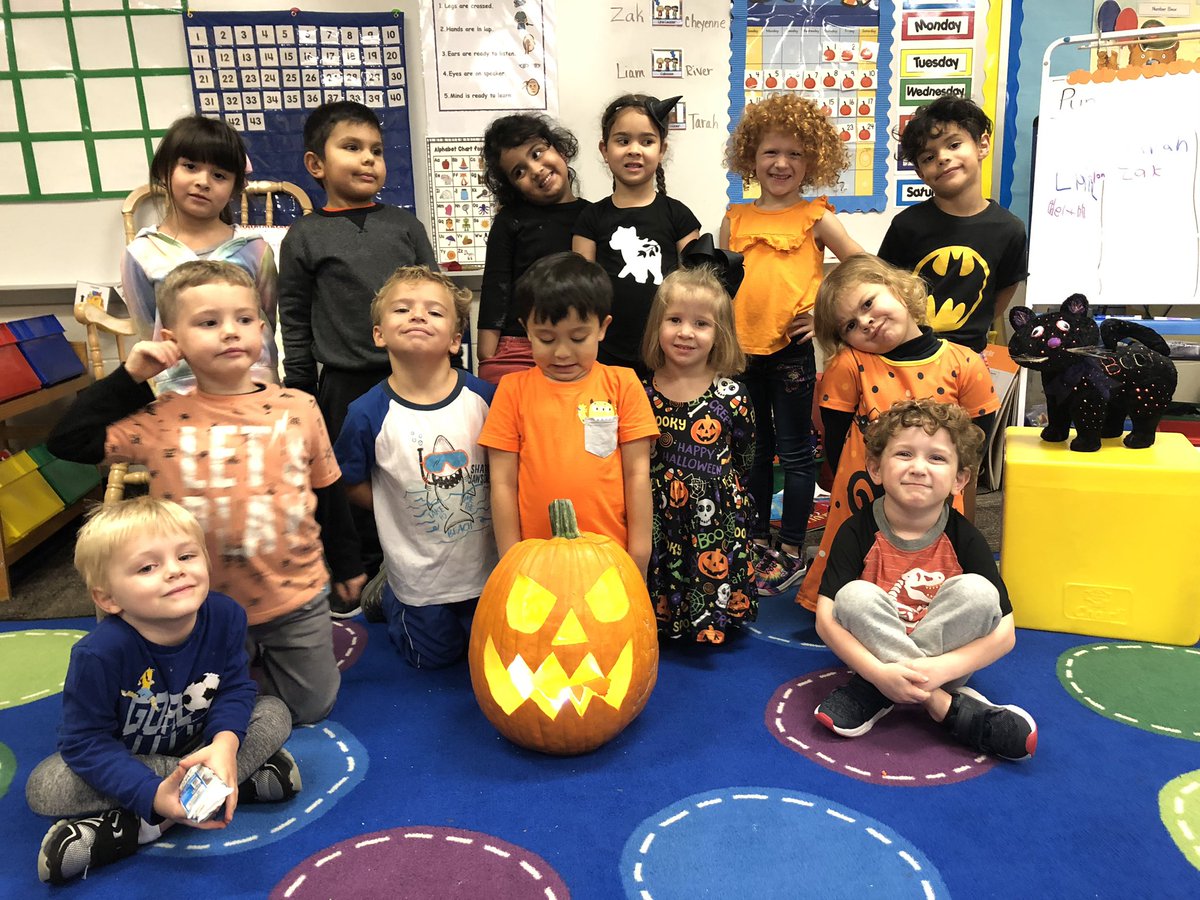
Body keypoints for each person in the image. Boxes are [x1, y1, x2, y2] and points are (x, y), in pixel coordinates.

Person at [48, 260, 365, 725]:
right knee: (198, 712)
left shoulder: (299, 407)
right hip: (196, 606)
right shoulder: (161, 417)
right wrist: (130, 376)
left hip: (292, 596)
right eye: (209, 323)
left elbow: (328, 489)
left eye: (243, 319)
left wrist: (348, 563)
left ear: (262, 329)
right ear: (172, 339)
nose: (230, 332)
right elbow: (68, 441)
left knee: (310, 708)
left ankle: (244, 698)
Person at [25, 498, 301, 885]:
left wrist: (224, 744)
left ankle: (134, 828)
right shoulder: (98, 654)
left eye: (186, 556)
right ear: (108, 598)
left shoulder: (226, 616)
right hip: (133, 761)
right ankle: (226, 788)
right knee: (45, 786)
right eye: (147, 567)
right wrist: (152, 792)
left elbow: (235, 689)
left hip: (201, 745)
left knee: (273, 712)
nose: (175, 570)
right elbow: (85, 743)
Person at [277, 100, 437, 609]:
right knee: (348, 484)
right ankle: (360, 575)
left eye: (376, 150)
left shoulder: (406, 226)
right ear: (316, 164)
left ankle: (418, 568)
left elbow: (435, 298)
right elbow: (294, 316)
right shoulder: (304, 236)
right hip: (343, 385)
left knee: (417, 473)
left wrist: (449, 370)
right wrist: (300, 389)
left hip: (413, 379)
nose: (369, 159)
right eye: (352, 147)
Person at [813, 399, 1037, 761]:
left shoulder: (965, 537)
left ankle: (872, 693)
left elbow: (1005, 633)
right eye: (904, 454)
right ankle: (943, 707)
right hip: (876, 658)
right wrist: (879, 672)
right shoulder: (855, 531)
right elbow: (826, 620)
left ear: (959, 479)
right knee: (852, 596)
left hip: (943, 665)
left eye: (937, 458)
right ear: (875, 467)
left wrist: (938, 671)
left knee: (980, 593)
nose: (918, 468)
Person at [720, 93, 864, 598]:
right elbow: (718, 283)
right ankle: (758, 540)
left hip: (790, 353)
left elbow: (860, 266)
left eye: (795, 154)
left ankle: (791, 548)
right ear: (751, 157)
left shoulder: (815, 217)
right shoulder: (735, 218)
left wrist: (824, 314)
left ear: (813, 161)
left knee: (797, 453)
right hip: (740, 353)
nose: (781, 163)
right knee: (755, 451)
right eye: (770, 152)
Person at [798, 254, 998, 611]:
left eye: (868, 303)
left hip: (935, 489)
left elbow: (974, 446)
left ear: (898, 289)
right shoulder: (849, 364)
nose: (866, 322)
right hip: (863, 490)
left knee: (935, 561)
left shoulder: (965, 363)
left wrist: (955, 485)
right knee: (855, 571)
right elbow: (835, 440)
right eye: (850, 325)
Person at [334, 267, 498, 667]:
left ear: (456, 340)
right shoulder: (367, 413)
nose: (418, 316)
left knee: (491, 652)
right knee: (433, 659)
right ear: (379, 334)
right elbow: (348, 481)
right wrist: (394, 505)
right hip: (420, 578)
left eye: (435, 312)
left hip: (487, 571)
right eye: (402, 309)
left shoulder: (487, 399)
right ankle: (386, 593)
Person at [479, 252, 659, 575]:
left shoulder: (623, 384)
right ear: (526, 330)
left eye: (578, 338)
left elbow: (637, 474)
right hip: (535, 562)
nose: (562, 353)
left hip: (610, 559)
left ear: (602, 328)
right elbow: (502, 482)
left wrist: (640, 554)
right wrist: (510, 559)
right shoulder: (512, 390)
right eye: (546, 338)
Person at [121, 115, 278, 394]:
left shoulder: (254, 249)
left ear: (235, 187)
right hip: (181, 392)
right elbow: (149, 332)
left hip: (254, 386)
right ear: (165, 170)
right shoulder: (142, 253)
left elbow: (265, 321)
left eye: (219, 175)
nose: (203, 182)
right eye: (190, 166)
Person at [640, 266, 755, 644]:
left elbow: (746, 454)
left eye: (701, 324)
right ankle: (665, 617)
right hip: (660, 512)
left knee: (708, 567)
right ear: (657, 326)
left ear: (720, 334)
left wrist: (731, 496)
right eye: (674, 320)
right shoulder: (641, 393)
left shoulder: (732, 395)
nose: (686, 332)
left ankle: (713, 620)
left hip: (715, 512)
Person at [877, 95, 1028, 354]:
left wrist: (973, 327)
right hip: (909, 354)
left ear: (982, 145)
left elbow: (1003, 289)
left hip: (969, 356)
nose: (942, 158)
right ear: (920, 174)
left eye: (954, 145)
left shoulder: (1009, 229)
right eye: (928, 157)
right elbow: (882, 286)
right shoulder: (907, 225)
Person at [572, 94, 701, 374]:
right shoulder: (590, 218)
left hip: (669, 353)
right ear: (605, 150)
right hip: (606, 353)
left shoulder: (679, 216)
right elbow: (581, 289)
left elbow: (697, 289)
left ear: (662, 149)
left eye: (646, 141)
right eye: (622, 141)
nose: (634, 150)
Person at [478, 113, 589, 384]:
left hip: (577, 343)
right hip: (517, 345)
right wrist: (487, 357)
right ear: (514, 188)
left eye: (537, 153)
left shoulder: (594, 216)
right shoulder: (510, 221)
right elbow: (496, 287)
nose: (536, 170)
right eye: (519, 172)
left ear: (560, 150)